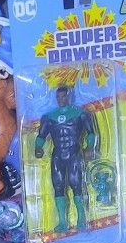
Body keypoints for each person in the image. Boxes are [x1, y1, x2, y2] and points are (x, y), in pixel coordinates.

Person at [35, 85, 97, 233]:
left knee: (76, 184)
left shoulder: (80, 114)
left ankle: (81, 218)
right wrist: (38, 147)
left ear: (69, 96)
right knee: (58, 186)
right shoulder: (49, 117)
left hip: (74, 152)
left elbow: (91, 132)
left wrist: (90, 148)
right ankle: (62, 221)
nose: (61, 99)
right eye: (58, 97)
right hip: (57, 154)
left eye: (63, 96)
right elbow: (41, 135)